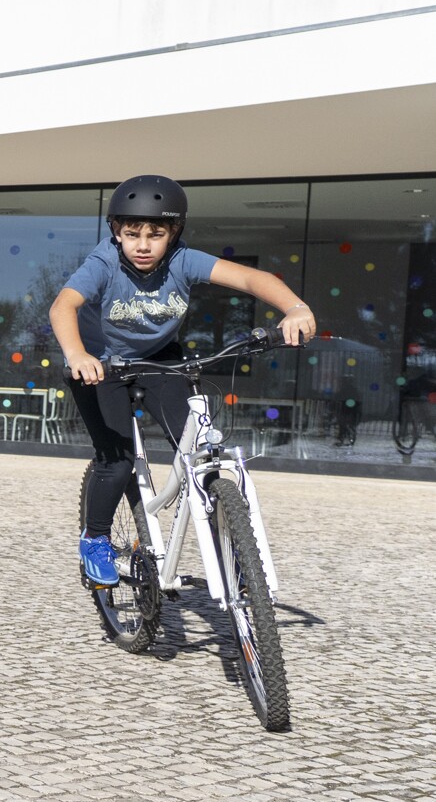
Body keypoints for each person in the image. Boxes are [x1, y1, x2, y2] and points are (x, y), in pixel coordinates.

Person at [52, 174, 316, 588]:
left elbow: (251, 279)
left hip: (159, 360)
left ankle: (233, 552)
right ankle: (96, 538)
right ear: (116, 233)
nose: (142, 244)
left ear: (173, 234)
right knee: (118, 461)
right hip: (100, 366)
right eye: (131, 233)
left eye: (155, 234)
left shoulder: (183, 260)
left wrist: (296, 308)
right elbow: (63, 305)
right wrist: (77, 355)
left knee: (197, 451)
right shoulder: (103, 263)